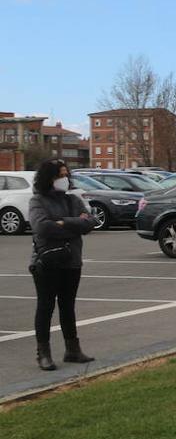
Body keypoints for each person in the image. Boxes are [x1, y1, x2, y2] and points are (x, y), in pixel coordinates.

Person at [29, 159, 95, 370]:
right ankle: (43, 353)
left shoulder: (73, 200)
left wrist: (63, 222)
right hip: (47, 261)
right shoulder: (37, 200)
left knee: (68, 306)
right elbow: (42, 227)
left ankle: (72, 349)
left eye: (66, 174)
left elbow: (89, 223)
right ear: (49, 178)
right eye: (60, 175)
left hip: (71, 260)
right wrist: (74, 225)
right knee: (46, 306)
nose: (64, 179)